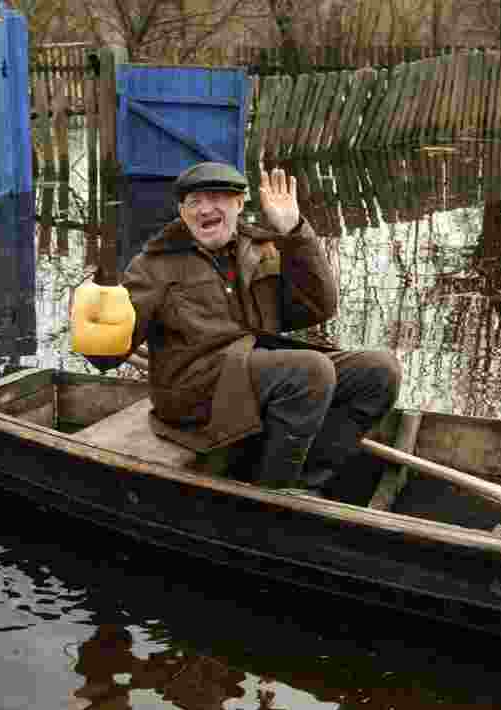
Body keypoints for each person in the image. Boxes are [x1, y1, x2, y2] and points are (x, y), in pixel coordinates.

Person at [86, 161, 401, 496]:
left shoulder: (260, 248)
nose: (205, 208)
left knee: (380, 371)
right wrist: (96, 319)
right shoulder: (154, 265)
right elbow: (106, 358)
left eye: (217, 197)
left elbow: (318, 307)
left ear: (239, 204)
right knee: (310, 372)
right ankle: (270, 496)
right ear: (181, 211)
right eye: (194, 202)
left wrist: (294, 232)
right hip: (194, 394)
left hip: (257, 374)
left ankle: (308, 483)